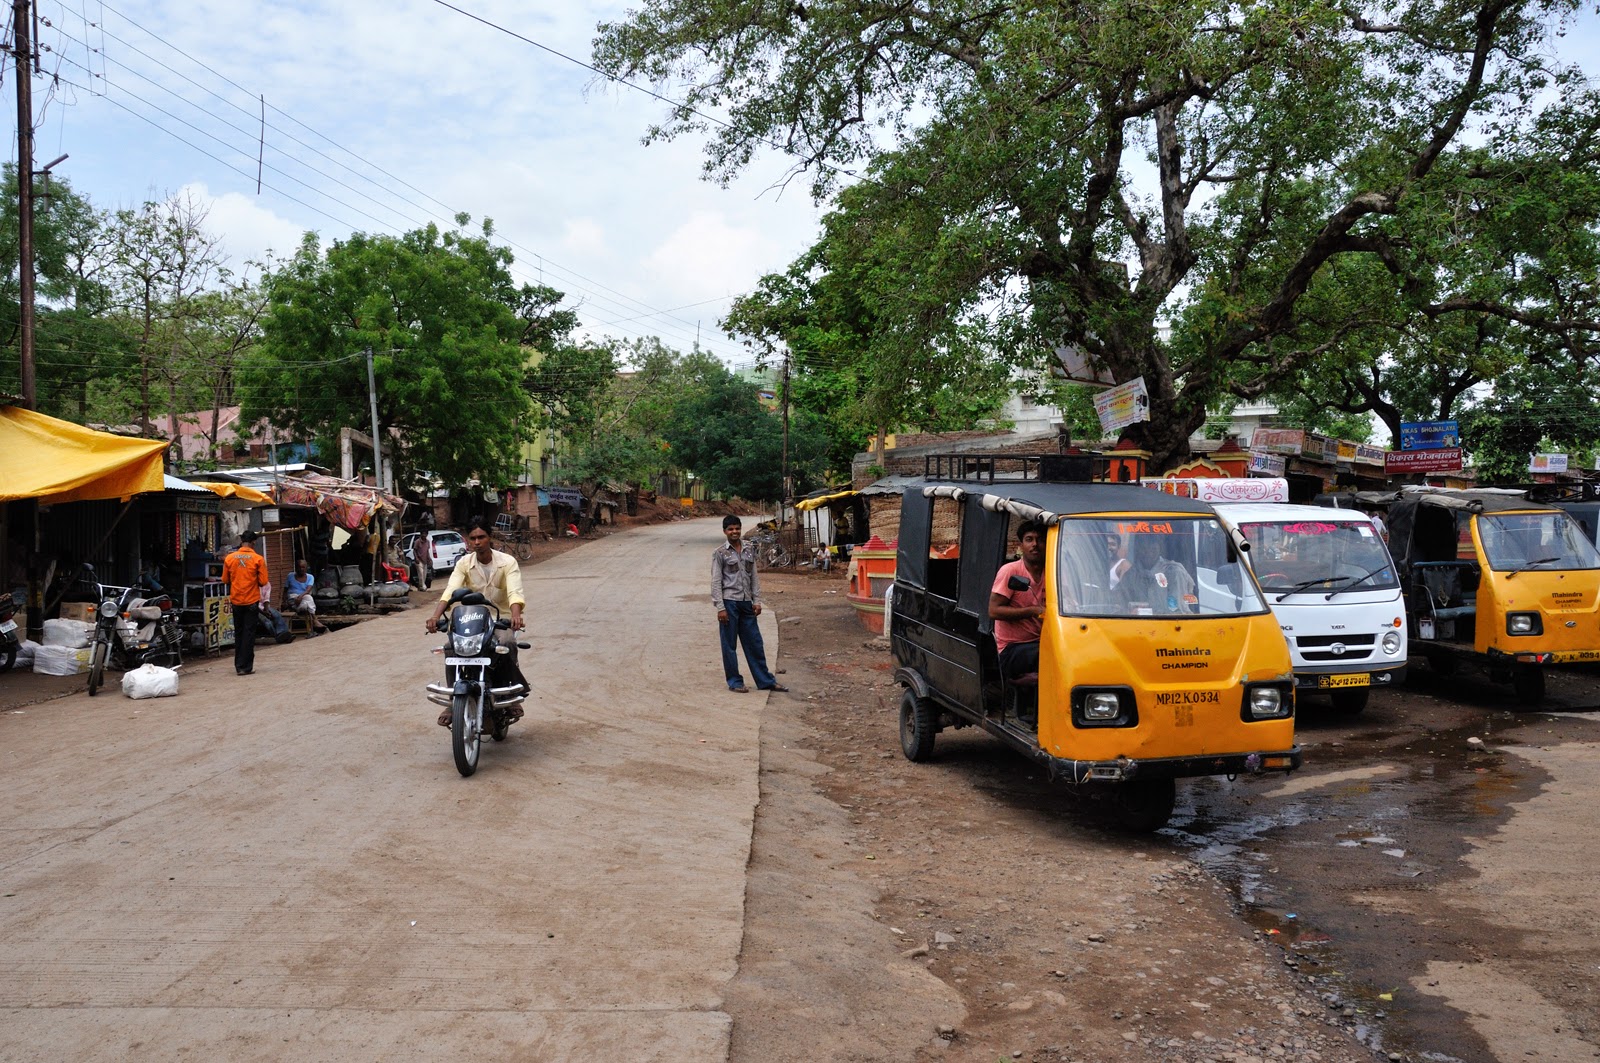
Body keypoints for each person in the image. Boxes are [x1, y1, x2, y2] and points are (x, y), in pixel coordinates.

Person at [425, 518, 529, 727]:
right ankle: (454, 699)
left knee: (507, 643)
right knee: (450, 648)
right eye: (473, 538)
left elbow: (514, 592)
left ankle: (511, 688)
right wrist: (436, 617)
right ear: (468, 541)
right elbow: (451, 591)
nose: (477, 541)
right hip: (471, 620)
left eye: (481, 537)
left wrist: (516, 616)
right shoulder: (464, 564)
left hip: (499, 619)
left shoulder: (507, 562)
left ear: (489, 538)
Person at [711, 515, 788, 694]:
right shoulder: (720, 553)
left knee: (755, 643)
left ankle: (765, 680)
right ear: (725, 532)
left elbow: (754, 577)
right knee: (729, 646)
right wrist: (720, 607)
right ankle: (735, 681)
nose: (734, 532)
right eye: (730, 529)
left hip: (747, 604)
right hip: (729, 603)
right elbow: (716, 581)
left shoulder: (748, 549)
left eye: (737, 528)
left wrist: (757, 601)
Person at [988, 519, 1048, 679]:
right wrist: (1032, 611)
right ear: (1021, 545)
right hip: (1013, 648)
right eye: (1029, 539)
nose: (1035, 544)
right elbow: (993, 610)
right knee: (1050, 655)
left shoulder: (1052, 571)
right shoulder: (1011, 571)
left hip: (1043, 641)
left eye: (1040, 540)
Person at [223, 530, 269, 675]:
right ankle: (246, 667)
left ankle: (238, 666)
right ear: (254, 542)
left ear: (241, 541)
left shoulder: (229, 558)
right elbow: (263, 582)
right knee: (249, 634)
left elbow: (225, 580)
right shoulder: (258, 559)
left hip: (236, 600)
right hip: (251, 601)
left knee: (239, 633)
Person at [1114, 534, 1197, 614]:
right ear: (1138, 549)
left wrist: (1146, 612)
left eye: (1153, 549)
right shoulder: (1132, 574)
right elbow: (1119, 602)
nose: (1148, 553)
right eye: (1144, 549)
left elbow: (1176, 611)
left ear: (1160, 548)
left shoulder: (1174, 572)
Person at [284, 558, 328, 635]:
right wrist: (285, 601)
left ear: (306, 568)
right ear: (296, 568)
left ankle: (304, 612)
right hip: (292, 599)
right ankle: (315, 620)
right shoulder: (290, 576)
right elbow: (285, 590)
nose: (301, 569)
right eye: (299, 567)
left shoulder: (310, 577)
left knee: (307, 600)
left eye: (303, 567)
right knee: (307, 600)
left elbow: (308, 590)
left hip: (303, 599)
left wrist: (300, 596)